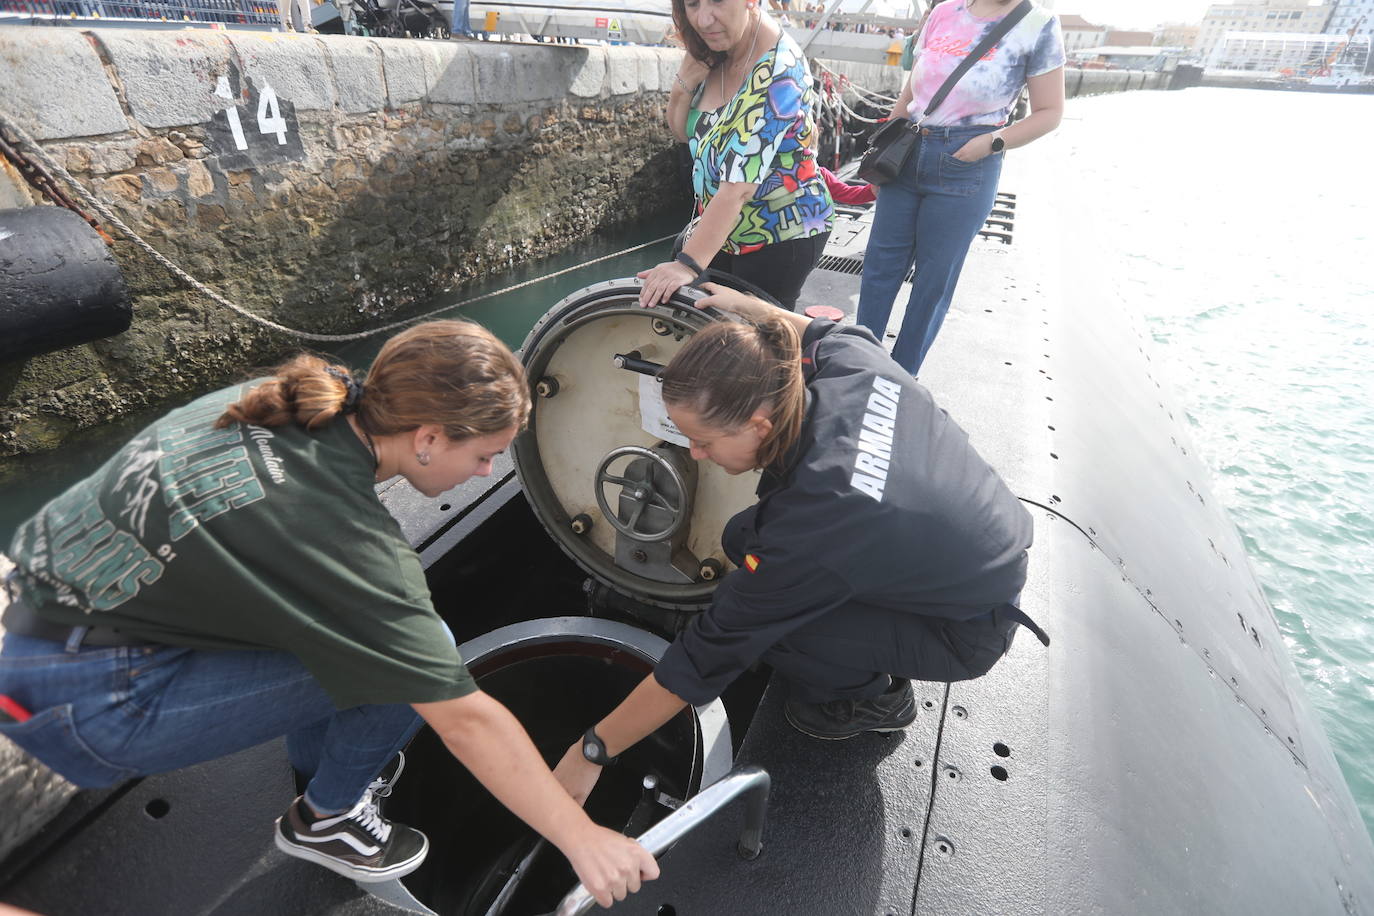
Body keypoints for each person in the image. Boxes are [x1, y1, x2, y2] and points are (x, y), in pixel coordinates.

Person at [0, 321, 656, 907]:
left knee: (366, 642)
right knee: (411, 664)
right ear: (427, 438)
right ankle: (327, 815)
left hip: (45, 623)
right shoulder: (349, 539)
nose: (488, 473)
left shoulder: (276, 399)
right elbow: (465, 722)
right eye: (483, 455)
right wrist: (582, 838)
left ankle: (326, 770)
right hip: (87, 708)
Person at [553, 287, 1046, 803]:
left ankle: (876, 701)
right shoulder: (849, 366)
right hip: (964, 554)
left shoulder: (819, 517)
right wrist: (757, 312)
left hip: (965, 630)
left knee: (774, 630)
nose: (694, 455)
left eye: (704, 441)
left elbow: (705, 657)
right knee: (741, 540)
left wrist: (593, 749)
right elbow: (820, 331)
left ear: (759, 425)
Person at [856, 0, 1065, 374]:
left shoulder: (1038, 24)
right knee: (879, 269)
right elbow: (911, 91)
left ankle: (901, 377)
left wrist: (990, 143)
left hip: (966, 163)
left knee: (933, 283)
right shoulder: (943, 13)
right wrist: (881, 154)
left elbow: (1050, 113)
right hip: (907, 153)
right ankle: (857, 366)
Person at [641, 0, 834, 311]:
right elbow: (684, 134)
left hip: (779, 233)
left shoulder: (777, 71)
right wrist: (684, 84)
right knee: (713, 332)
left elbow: (740, 186)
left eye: (717, 1)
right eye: (692, 4)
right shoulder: (717, 50)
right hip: (726, 228)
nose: (703, 20)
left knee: (759, 345)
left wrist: (687, 264)